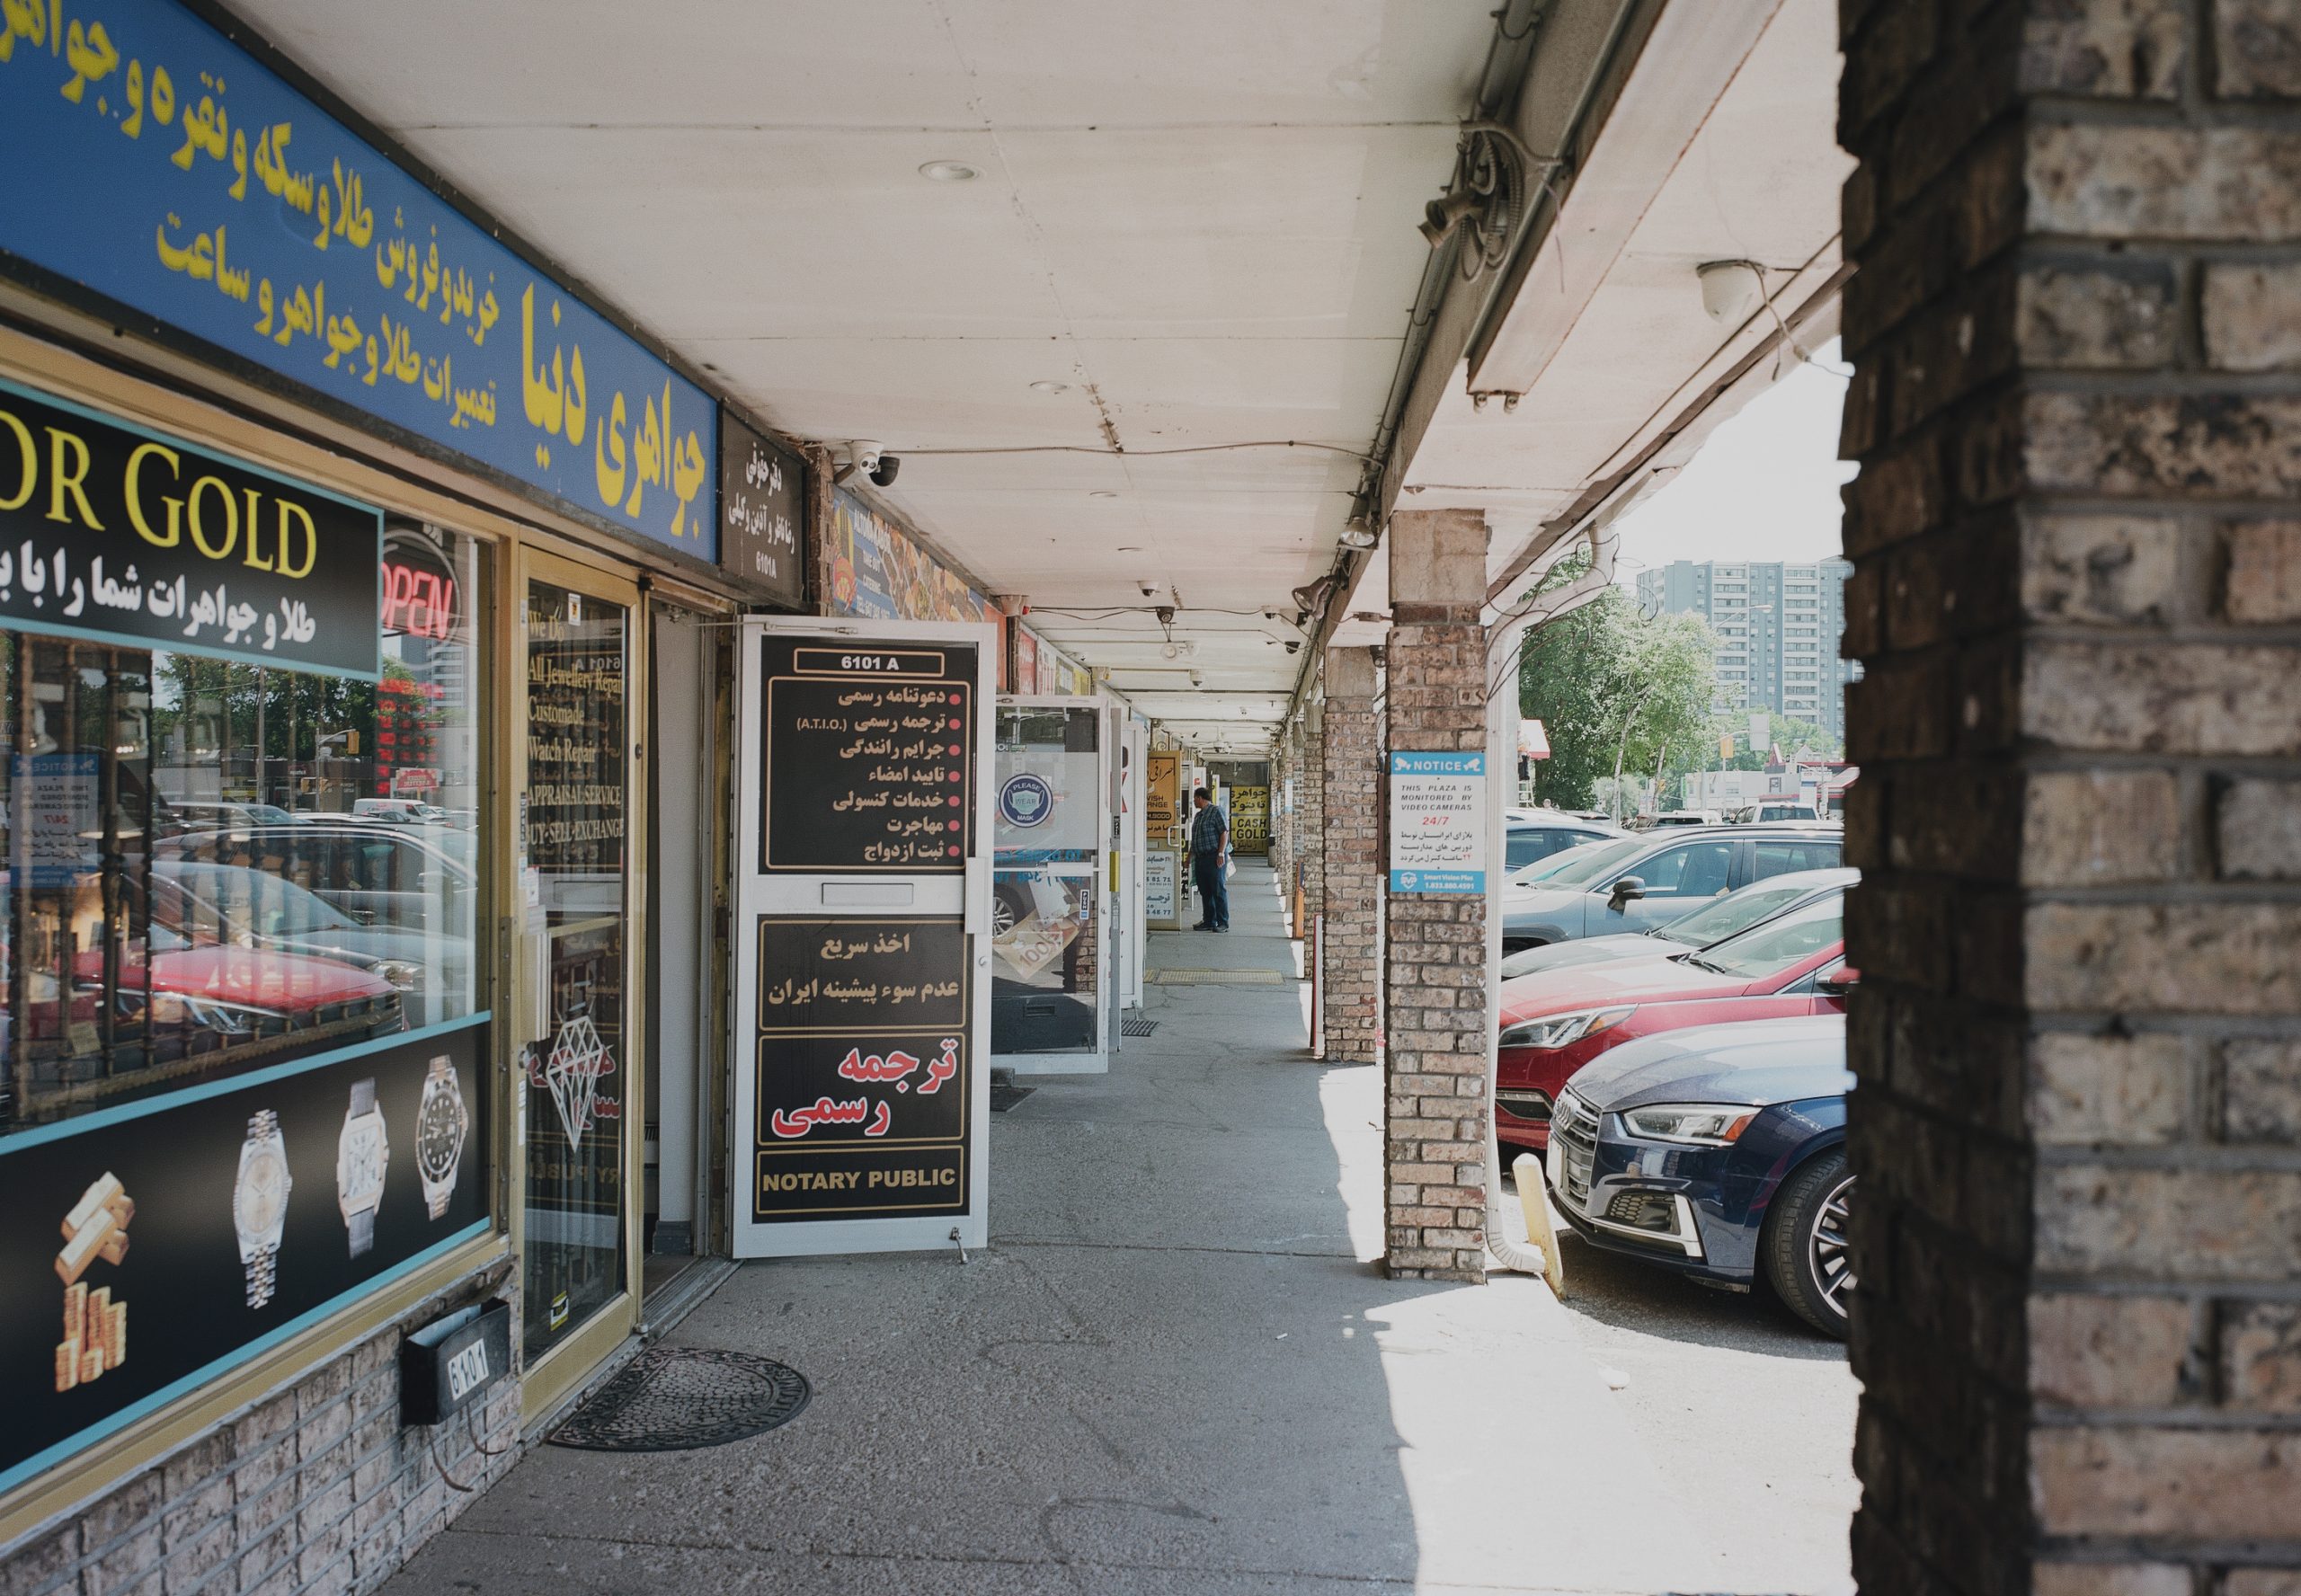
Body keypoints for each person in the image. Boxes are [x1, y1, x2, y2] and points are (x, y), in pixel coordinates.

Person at [1188, 786, 1229, 932]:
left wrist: (1220, 853)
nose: (1193, 801)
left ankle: (1223, 922)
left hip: (1214, 857)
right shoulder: (1198, 816)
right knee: (1205, 891)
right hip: (1200, 858)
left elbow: (1224, 832)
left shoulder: (1216, 811)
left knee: (1218, 890)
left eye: (1194, 798)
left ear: (1200, 798)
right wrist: (1188, 858)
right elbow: (1195, 840)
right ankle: (1209, 921)